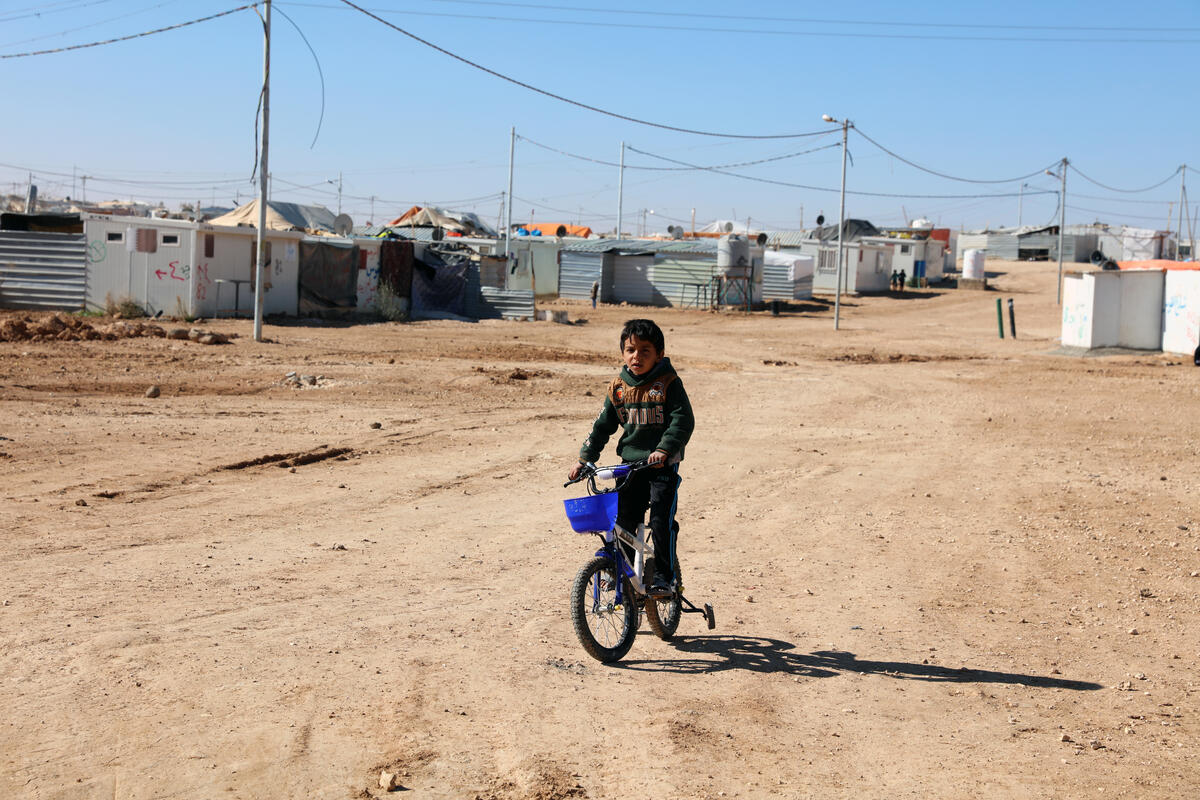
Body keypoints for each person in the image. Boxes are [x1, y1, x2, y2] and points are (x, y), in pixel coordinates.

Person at [568, 318, 695, 594]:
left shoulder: (668, 383)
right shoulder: (618, 387)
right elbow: (602, 426)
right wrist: (584, 459)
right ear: (623, 352)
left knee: (661, 519)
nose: (636, 356)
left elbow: (682, 421)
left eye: (645, 351)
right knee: (622, 518)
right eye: (630, 350)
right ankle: (619, 571)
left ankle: (664, 574)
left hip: (662, 465)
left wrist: (664, 449)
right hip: (631, 466)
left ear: (659, 354)